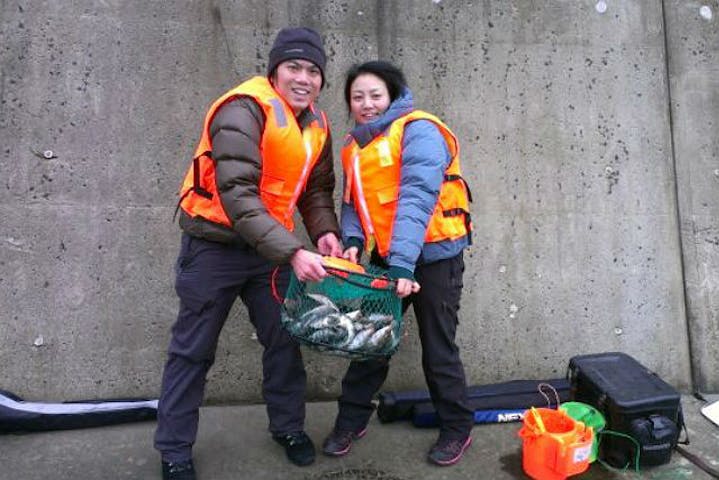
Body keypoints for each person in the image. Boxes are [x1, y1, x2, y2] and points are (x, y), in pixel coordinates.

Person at [154, 27, 342, 480]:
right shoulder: (242, 109)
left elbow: (316, 190)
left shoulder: (316, 124)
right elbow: (236, 194)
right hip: (213, 248)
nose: (303, 78)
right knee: (192, 351)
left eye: (313, 71)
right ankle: (175, 451)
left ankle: (289, 428)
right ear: (274, 71)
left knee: (284, 341)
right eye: (293, 67)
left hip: (268, 254)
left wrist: (326, 233)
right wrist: (295, 252)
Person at [322, 61, 474, 466]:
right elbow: (353, 201)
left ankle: (457, 428)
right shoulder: (355, 145)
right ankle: (351, 420)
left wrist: (403, 267)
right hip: (389, 258)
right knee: (369, 342)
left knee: (438, 349)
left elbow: (416, 198)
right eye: (357, 97)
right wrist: (353, 240)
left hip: (434, 259)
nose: (366, 104)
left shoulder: (419, 129)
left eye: (375, 95)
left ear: (393, 96)